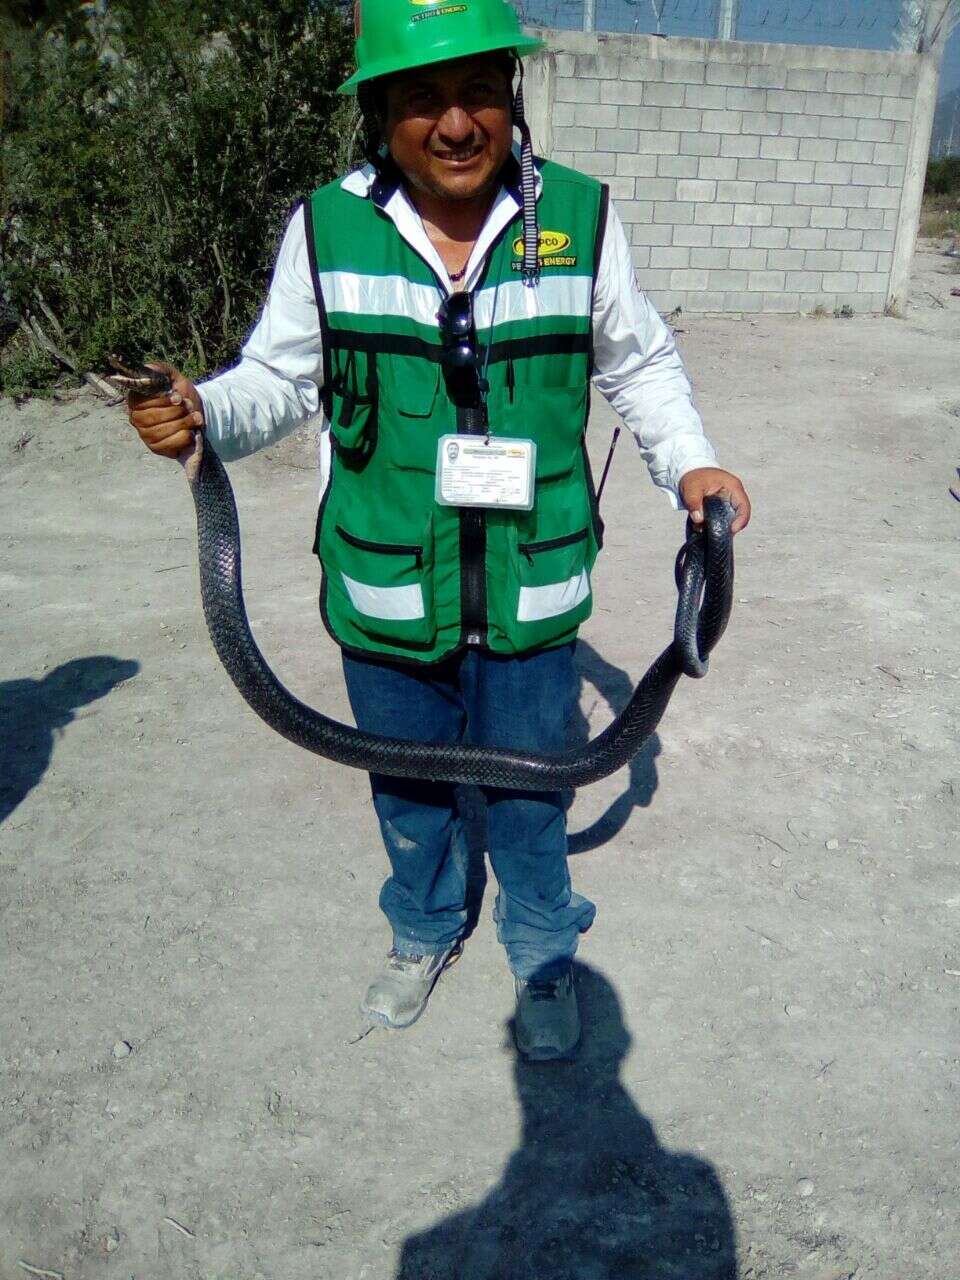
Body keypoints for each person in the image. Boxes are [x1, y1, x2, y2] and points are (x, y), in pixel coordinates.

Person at [125, 0, 751, 1062]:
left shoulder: (581, 219)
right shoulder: (325, 227)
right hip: (385, 592)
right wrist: (202, 416)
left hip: (533, 590)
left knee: (531, 785)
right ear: (379, 113)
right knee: (409, 786)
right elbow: (277, 382)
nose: (455, 123)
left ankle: (544, 951)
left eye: (477, 92)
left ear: (513, 93)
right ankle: (423, 929)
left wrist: (689, 461)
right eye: (421, 98)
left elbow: (637, 361)